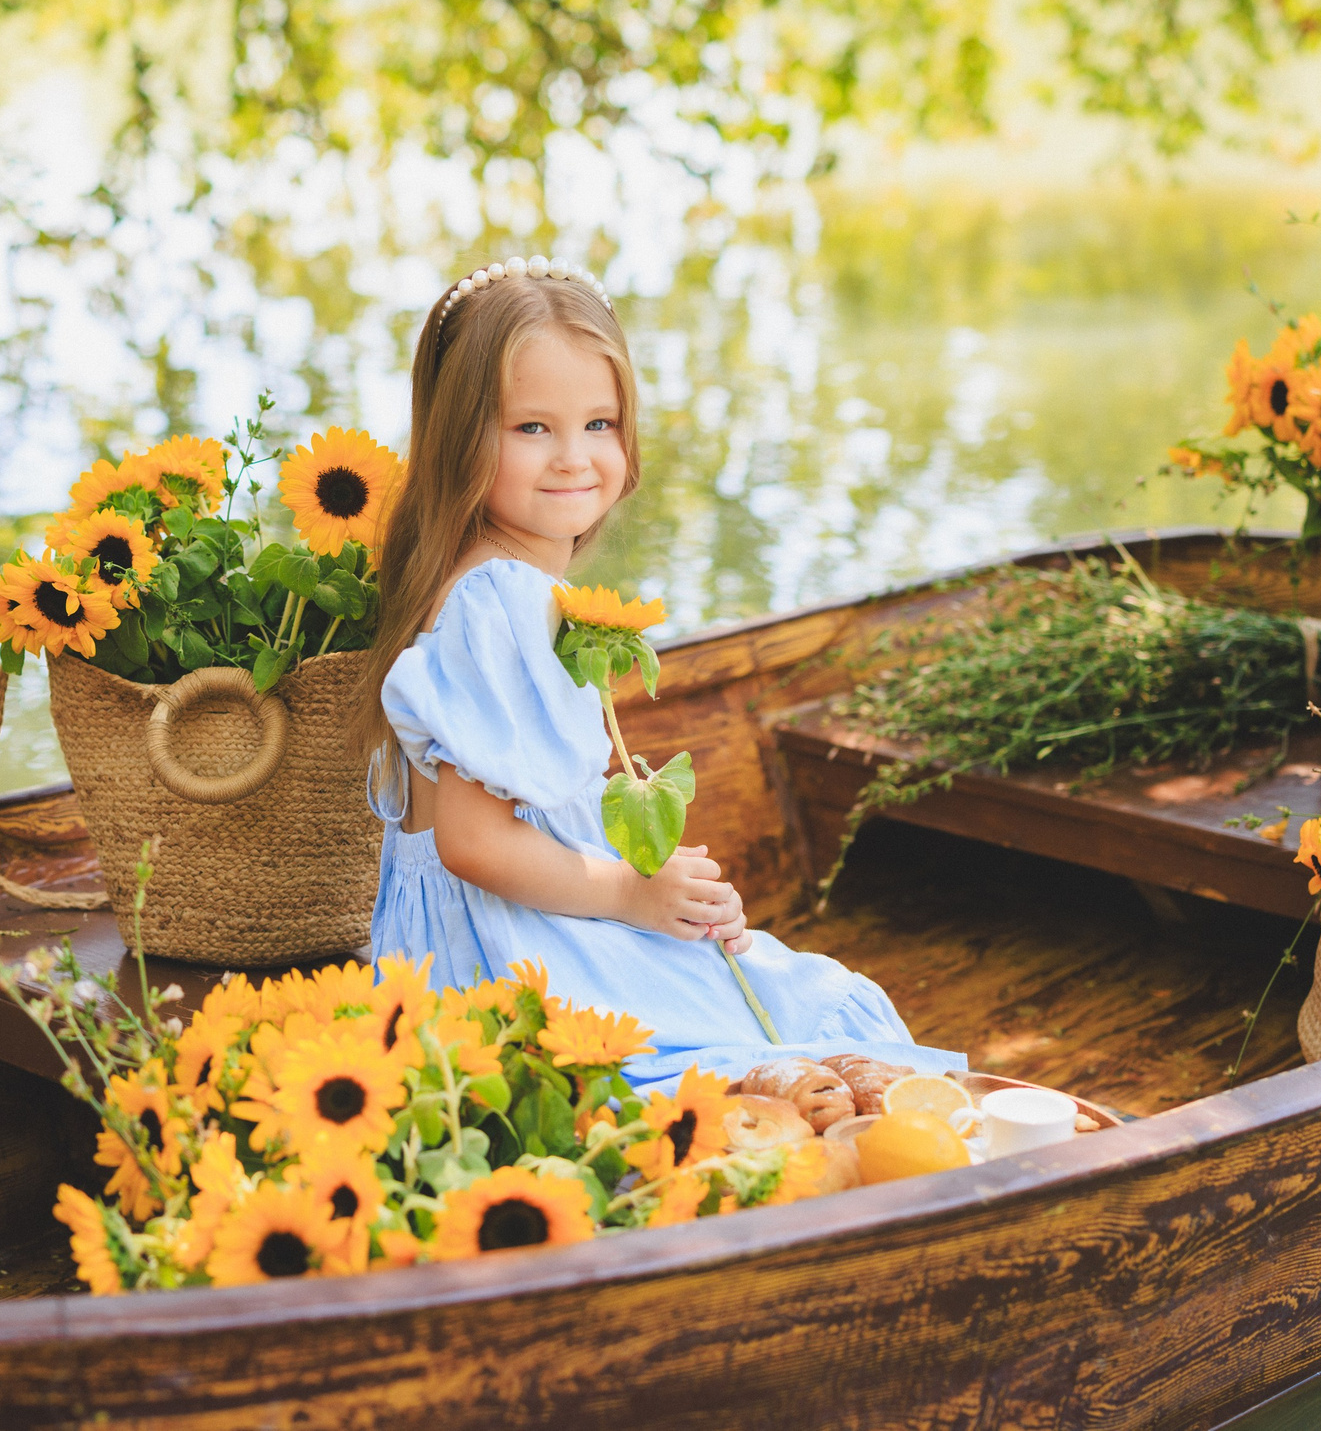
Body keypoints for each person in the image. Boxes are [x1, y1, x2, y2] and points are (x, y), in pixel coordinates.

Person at [354, 257, 963, 1090]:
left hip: (511, 925)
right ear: (464, 436)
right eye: (532, 429)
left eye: (599, 424)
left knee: (771, 985)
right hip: (506, 953)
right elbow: (473, 842)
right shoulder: (496, 599)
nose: (575, 458)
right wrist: (633, 897)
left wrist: (661, 885)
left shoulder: (491, 580)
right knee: (804, 1020)